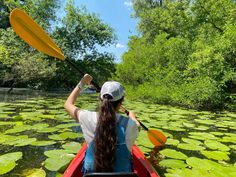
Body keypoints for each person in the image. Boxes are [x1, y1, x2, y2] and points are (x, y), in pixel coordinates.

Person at [64, 74, 140, 173]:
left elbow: (67, 104)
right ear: (122, 100)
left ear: (101, 99)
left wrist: (82, 82)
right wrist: (132, 117)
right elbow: (137, 126)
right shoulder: (131, 124)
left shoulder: (87, 117)